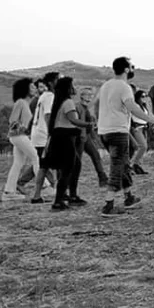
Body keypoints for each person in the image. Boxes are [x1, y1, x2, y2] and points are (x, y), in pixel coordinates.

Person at [95, 57, 154, 216]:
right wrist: (150, 119)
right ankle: (108, 205)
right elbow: (132, 107)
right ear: (126, 69)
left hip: (104, 131)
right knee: (117, 166)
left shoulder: (106, 85)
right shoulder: (124, 87)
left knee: (123, 164)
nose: (133, 69)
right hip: (118, 131)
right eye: (132, 66)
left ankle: (128, 197)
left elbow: (95, 105)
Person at [45, 77, 94, 211]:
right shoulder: (68, 102)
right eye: (73, 85)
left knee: (75, 165)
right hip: (65, 138)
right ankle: (58, 201)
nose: (75, 87)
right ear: (68, 88)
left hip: (60, 137)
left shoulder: (60, 102)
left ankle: (71, 196)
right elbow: (73, 120)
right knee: (68, 169)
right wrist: (88, 124)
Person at [2, 78, 39, 202]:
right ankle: (45, 187)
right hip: (18, 136)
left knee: (18, 163)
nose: (35, 89)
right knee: (36, 157)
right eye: (32, 87)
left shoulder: (25, 103)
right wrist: (23, 128)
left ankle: (9, 192)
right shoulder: (21, 102)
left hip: (18, 136)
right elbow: (12, 120)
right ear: (25, 89)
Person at [26, 71, 60, 198]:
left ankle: (37, 195)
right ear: (51, 83)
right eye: (58, 79)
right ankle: (55, 191)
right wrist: (52, 133)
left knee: (43, 165)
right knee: (50, 165)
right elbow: (47, 115)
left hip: (38, 134)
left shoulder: (43, 96)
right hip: (43, 135)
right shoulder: (50, 96)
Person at [72, 86, 108, 197]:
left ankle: (103, 179)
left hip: (85, 136)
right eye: (87, 94)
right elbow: (77, 123)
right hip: (79, 137)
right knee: (76, 163)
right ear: (81, 96)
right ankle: (71, 188)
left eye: (91, 95)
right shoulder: (78, 107)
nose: (90, 96)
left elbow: (90, 129)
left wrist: (98, 143)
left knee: (95, 155)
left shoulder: (86, 108)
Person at [129, 88, 151, 175]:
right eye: (142, 96)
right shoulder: (135, 106)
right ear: (137, 97)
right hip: (137, 127)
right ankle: (131, 164)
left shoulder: (144, 106)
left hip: (144, 127)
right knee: (143, 146)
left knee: (143, 147)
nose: (144, 98)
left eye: (145, 96)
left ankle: (137, 165)